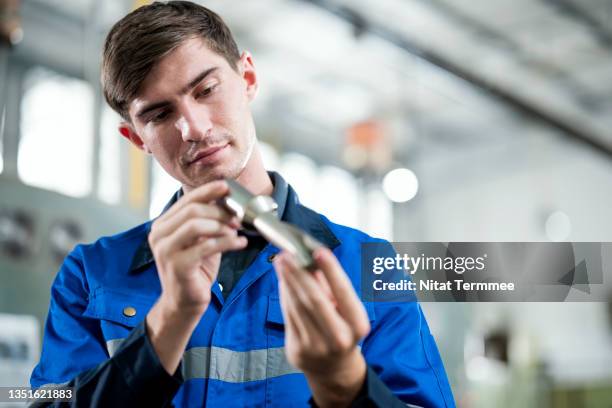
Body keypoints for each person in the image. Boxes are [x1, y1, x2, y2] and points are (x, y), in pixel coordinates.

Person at [30, 1, 454, 407]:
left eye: (207, 89)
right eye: (159, 115)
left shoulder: (368, 263)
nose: (193, 127)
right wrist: (168, 323)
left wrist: (345, 383)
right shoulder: (89, 275)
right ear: (137, 138)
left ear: (248, 77)